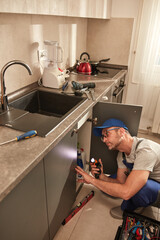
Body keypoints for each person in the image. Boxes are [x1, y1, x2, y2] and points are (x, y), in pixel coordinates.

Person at [75, 118, 160, 219]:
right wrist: (101, 177)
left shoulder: (146, 151)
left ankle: (135, 208)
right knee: (107, 186)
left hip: (156, 184)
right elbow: (120, 181)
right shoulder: (122, 155)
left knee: (140, 189)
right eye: (103, 137)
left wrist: (92, 181)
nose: (104, 140)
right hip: (147, 176)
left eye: (107, 134)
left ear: (121, 132)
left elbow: (126, 192)